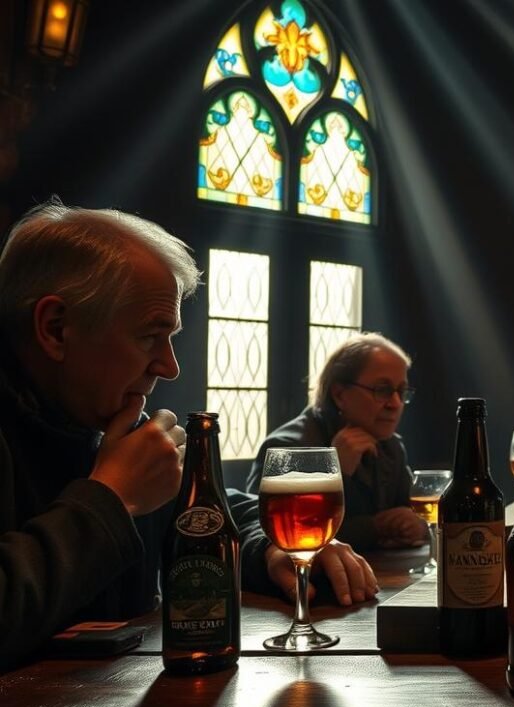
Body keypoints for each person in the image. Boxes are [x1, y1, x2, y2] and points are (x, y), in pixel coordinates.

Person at [0, 200, 378, 670]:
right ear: (55, 329)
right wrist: (111, 498)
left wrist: (271, 547)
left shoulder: (105, 424)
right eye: (148, 337)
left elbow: (206, 509)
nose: (170, 366)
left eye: (171, 338)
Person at [248, 333, 426, 551]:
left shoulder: (391, 446)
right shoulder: (286, 449)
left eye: (401, 391)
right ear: (339, 394)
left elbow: (415, 516)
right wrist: (337, 472)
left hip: (381, 580)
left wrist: (416, 525)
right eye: (382, 390)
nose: (396, 403)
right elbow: (266, 537)